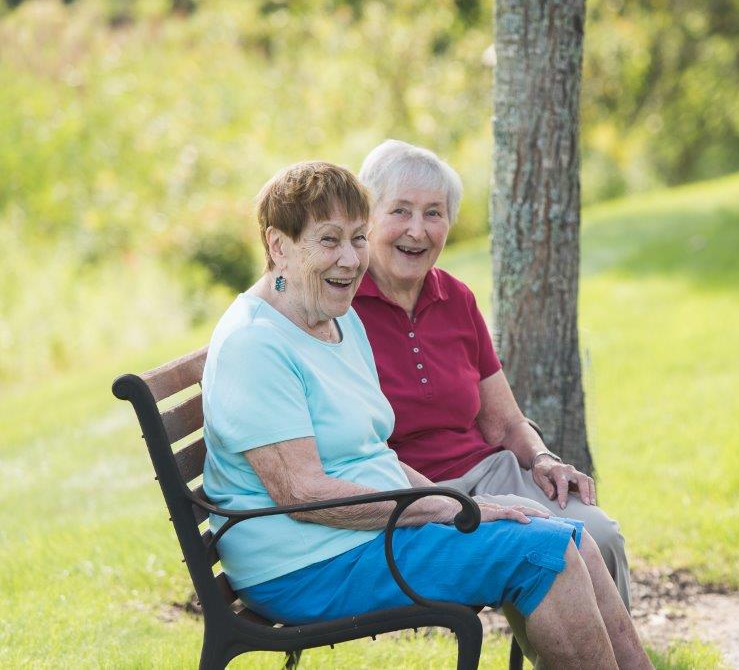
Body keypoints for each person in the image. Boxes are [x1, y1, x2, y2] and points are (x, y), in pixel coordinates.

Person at [201, 160, 651, 669]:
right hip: (308, 563)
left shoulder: (338, 323)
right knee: (544, 552)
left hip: (365, 537)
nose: (349, 260)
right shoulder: (255, 344)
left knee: (573, 540)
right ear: (278, 246)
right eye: (328, 241)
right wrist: (451, 507)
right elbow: (301, 494)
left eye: (357, 238)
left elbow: (374, 452)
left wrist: (454, 500)